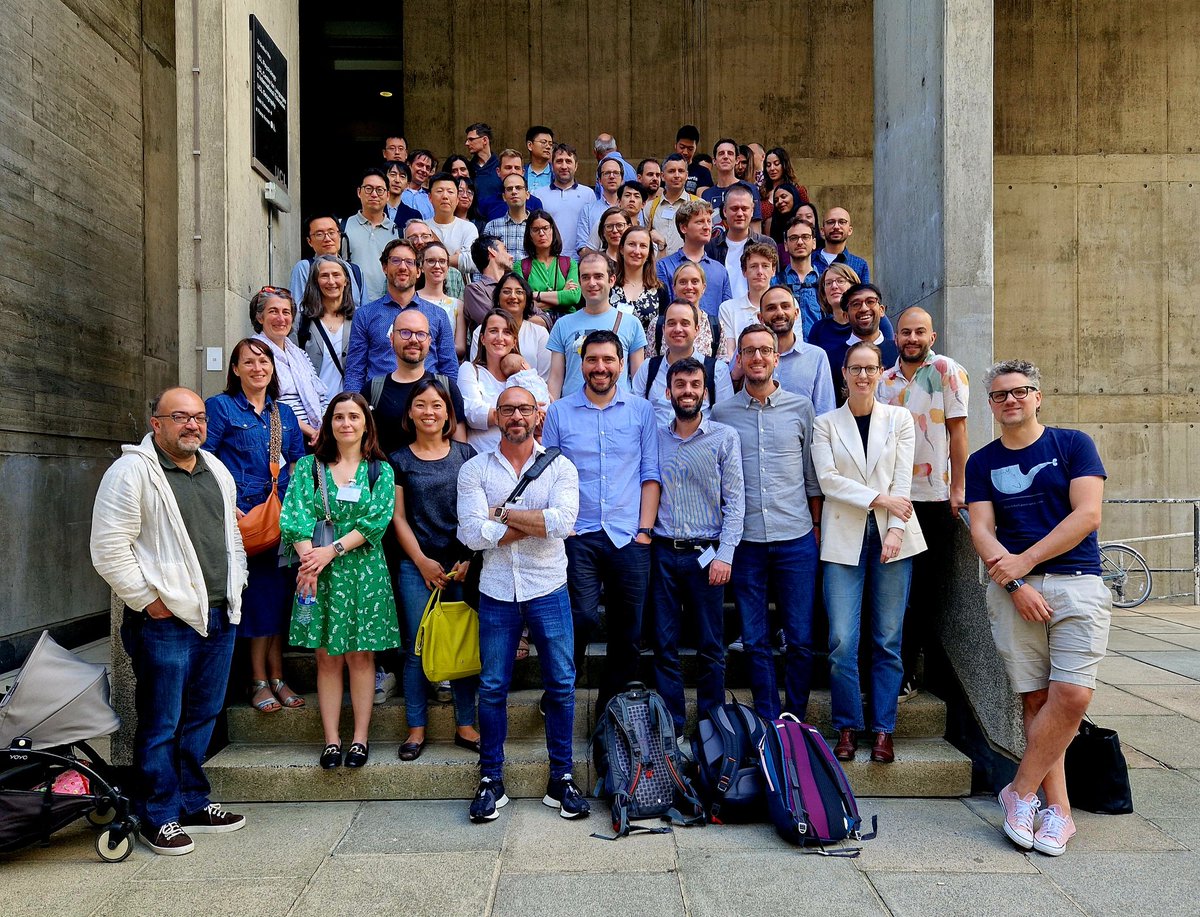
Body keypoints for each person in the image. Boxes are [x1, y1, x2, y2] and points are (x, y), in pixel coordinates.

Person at [91, 387, 248, 855]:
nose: (192, 425)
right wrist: (148, 601)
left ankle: (191, 802)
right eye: (180, 416)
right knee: (162, 721)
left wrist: (237, 584)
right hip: (165, 621)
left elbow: (232, 537)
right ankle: (157, 814)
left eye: (199, 417)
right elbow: (108, 547)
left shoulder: (215, 468)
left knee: (202, 715)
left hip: (219, 614)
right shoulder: (131, 472)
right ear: (156, 423)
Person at [966, 359, 1109, 857]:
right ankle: (1059, 812)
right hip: (1014, 591)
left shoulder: (1073, 445)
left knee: (1072, 696)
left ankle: (1019, 791)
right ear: (991, 405)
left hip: (1077, 582)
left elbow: (1087, 514)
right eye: (1000, 394)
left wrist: (1024, 562)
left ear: (1037, 396)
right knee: (1036, 700)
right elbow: (981, 530)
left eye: (1020, 391)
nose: (1011, 400)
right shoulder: (981, 462)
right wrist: (1015, 584)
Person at [457, 384, 585, 822]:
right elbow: (470, 534)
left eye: (524, 409)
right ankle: (490, 779)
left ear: (536, 416)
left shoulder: (560, 467)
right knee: (493, 687)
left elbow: (562, 522)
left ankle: (562, 779)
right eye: (508, 409)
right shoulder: (474, 470)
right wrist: (533, 523)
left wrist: (501, 514)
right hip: (496, 591)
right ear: (496, 416)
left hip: (548, 587)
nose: (516, 416)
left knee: (562, 684)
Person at [812, 341, 926, 765]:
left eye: (870, 368)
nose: (863, 376)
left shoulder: (899, 419)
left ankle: (883, 730)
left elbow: (903, 481)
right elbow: (828, 481)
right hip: (843, 537)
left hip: (894, 537)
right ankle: (847, 726)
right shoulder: (825, 423)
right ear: (844, 373)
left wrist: (895, 528)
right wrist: (880, 499)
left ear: (880, 373)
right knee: (842, 639)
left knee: (888, 639)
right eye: (856, 368)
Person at [279, 393, 399, 770]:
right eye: (338, 417)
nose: (346, 423)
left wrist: (330, 552)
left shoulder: (380, 470)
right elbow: (294, 516)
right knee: (326, 657)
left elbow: (377, 520)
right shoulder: (308, 468)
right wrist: (310, 561)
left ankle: (360, 739)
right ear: (329, 424)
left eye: (353, 416)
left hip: (363, 570)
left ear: (366, 424)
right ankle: (332, 740)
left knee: (361, 656)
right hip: (317, 571)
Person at [543, 329, 659, 713]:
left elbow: (650, 473)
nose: (600, 367)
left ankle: (610, 707)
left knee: (628, 630)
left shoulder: (641, 411)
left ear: (621, 364)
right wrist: (563, 528)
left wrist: (645, 531)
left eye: (608, 359)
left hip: (629, 535)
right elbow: (549, 475)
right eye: (592, 359)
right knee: (579, 616)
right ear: (581, 364)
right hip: (579, 533)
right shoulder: (559, 412)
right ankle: (563, 682)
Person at [712, 325, 823, 722]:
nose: (757, 357)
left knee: (801, 639)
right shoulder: (721, 414)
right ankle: (768, 719)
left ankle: (796, 718)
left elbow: (812, 475)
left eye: (764, 350)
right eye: (749, 351)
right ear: (739, 359)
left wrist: (816, 526)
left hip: (796, 538)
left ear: (777, 358)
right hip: (746, 544)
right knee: (755, 640)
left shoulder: (801, 408)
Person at [203, 339, 307, 716]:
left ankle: (277, 677)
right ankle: (258, 679)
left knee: (279, 600)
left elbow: (299, 463)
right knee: (258, 602)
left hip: (282, 521)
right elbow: (204, 459)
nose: (257, 368)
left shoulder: (284, 413)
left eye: (264, 361)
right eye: (248, 362)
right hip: (244, 520)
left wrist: (297, 511)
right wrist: (225, 505)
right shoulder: (221, 407)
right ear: (235, 369)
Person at [878, 307, 970, 699]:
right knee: (896, 588)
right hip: (894, 498)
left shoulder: (948, 370)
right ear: (895, 336)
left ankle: (912, 670)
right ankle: (893, 667)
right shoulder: (883, 381)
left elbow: (959, 432)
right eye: (905, 332)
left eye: (920, 332)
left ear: (932, 337)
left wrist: (959, 488)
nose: (912, 338)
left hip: (933, 497)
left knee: (925, 590)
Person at [651, 357, 745, 739]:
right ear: (668, 391)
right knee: (664, 644)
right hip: (662, 551)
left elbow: (736, 502)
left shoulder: (724, 437)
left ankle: (711, 727)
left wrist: (726, 554)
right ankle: (672, 727)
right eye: (680, 385)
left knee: (710, 646)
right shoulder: (656, 437)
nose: (687, 391)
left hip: (707, 554)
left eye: (694, 385)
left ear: (705, 392)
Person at [389, 377, 480, 761]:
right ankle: (416, 729)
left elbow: (476, 511)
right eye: (421, 405)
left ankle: (465, 725)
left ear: (448, 413)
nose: (429, 412)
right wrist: (421, 562)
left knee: (461, 643)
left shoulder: (466, 454)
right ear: (410, 412)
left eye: (437, 405)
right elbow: (398, 518)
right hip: (417, 566)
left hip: (461, 565)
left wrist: (468, 558)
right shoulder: (398, 460)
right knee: (416, 647)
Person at [344, 238, 458, 392]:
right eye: (396, 261)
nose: (403, 267)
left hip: (426, 399)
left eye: (409, 262)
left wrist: (444, 400)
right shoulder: (365, 315)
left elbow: (449, 368)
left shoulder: (438, 315)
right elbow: (355, 371)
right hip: (379, 400)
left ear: (418, 271)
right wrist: (354, 405)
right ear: (385, 267)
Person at [366, 308, 467, 456]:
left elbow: (461, 452)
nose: (413, 339)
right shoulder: (373, 390)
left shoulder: (446, 387)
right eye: (405, 332)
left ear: (429, 341)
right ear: (392, 338)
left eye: (420, 334)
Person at [547, 253, 647, 398]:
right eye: (585, 277)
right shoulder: (563, 324)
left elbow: (638, 381)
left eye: (598, 276)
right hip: (573, 408)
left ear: (611, 280)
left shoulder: (631, 323)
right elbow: (556, 378)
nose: (592, 283)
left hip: (619, 408)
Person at [632, 298, 734, 426]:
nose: (678, 329)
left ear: (697, 329)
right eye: (671, 323)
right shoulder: (648, 368)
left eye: (685, 323)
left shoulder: (717, 370)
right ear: (663, 329)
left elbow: (725, 421)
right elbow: (634, 414)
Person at [250, 287, 327, 447]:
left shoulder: (300, 354)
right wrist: (312, 433)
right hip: (282, 436)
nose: (281, 318)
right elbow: (267, 405)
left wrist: (324, 428)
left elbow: (321, 396)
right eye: (273, 311)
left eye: (286, 312)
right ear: (260, 317)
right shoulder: (254, 353)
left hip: (316, 435)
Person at [756, 285, 836, 416]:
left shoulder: (816, 357)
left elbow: (825, 413)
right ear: (760, 317)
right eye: (771, 308)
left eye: (785, 306)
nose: (779, 313)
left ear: (796, 313)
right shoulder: (751, 355)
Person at [655, 200, 733, 325]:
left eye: (709, 221)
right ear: (683, 228)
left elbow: (727, 313)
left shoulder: (720, 270)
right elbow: (663, 310)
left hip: (712, 335)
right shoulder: (664, 266)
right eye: (700, 222)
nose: (707, 227)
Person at [820, 283, 899, 403]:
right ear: (846, 316)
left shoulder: (899, 352)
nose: (864, 308)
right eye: (856, 304)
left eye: (870, 302)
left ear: (881, 310)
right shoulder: (830, 359)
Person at [460, 309, 524, 452]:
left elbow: (542, 411)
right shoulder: (470, 369)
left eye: (507, 332)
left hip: (520, 457)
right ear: (483, 339)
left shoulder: (523, 376)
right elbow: (471, 413)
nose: (500, 338)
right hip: (481, 456)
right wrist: (519, 413)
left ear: (514, 342)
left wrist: (495, 414)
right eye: (493, 331)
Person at [467, 272, 551, 377]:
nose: (513, 296)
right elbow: (477, 371)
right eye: (506, 292)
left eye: (519, 292)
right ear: (498, 297)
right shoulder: (482, 331)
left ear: (527, 299)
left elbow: (545, 377)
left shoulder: (540, 333)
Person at [297, 255, 356, 402]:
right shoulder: (301, 321)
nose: (331, 281)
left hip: (347, 407)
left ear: (346, 281)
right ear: (315, 281)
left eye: (336, 275)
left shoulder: (359, 320)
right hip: (311, 407)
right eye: (324, 276)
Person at [705, 184, 771, 301]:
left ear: (752, 211)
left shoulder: (766, 244)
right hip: (721, 310)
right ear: (725, 211)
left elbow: (774, 284)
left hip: (758, 310)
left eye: (744, 209)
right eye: (734, 208)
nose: (740, 214)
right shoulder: (710, 247)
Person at [808, 263, 892, 353]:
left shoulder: (875, 320)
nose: (834, 286)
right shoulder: (818, 329)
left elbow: (889, 352)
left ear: (853, 286)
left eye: (840, 281)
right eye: (828, 283)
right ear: (824, 293)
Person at [342, 168, 398, 304]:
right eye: (368, 189)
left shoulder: (398, 232)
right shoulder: (343, 227)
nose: (374, 194)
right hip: (351, 305)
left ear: (388, 195)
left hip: (388, 304)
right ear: (359, 192)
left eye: (380, 190)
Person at [513, 210, 580, 319]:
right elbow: (522, 303)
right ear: (529, 235)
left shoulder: (569, 263)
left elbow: (574, 297)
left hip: (568, 320)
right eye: (535, 229)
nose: (541, 233)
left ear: (552, 230)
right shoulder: (520, 266)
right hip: (535, 322)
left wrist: (535, 295)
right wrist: (562, 294)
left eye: (545, 228)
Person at [718, 241, 777, 363]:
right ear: (744, 271)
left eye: (765, 266)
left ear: (773, 271)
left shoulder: (787, 305)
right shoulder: (728, 308)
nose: (760, 271)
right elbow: (729, 353)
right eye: (753, 266)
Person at [290, 213, 364, 306]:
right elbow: (297, 309)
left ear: (339, 235)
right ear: (309, 241)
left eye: (331, 233)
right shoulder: (304, 268)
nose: (327, 239)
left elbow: (366, 311)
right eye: (319, 234)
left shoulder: (355, 271)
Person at [610, 224, 667, 338]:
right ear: (621, 249)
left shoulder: (659, 289)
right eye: (631, 244)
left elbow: (664, 328)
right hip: (611, 348)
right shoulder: (608, 285)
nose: (637, 251)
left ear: (649, 252)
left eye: (643, 246)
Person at [540, 143, 595, 256]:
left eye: (568, 161)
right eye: (559, 161)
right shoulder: (539, 195)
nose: (564, 166)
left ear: (576, 166)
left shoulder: (588, 194)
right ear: (552, 166)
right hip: (549, 259)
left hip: (580, 259)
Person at [774, 217, 822, 338]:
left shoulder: (825, 282)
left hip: (819, 347)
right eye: (794, 238)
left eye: (805, 237)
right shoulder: (775, 282)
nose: (800, 242)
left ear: (814, 243)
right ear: (786, 245)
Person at [643, 153, 698, 256]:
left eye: (680, 171)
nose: (677, 175)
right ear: (663, 176)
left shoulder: (698, 205)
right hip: (657, 264)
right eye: (671, 171)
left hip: (687, 264)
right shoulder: (649, 207)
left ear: (686, 175)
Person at [461, 234, 514, 339]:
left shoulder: (515, 286)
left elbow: (544, 318)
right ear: (492, 251)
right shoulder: (475, 290)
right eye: (505, 250)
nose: (511, 256)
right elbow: (495, 321)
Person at [700, 139, 762, 229]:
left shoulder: (749, 189)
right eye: (721, 153)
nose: (725, 157)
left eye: (730, 153)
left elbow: (756, 230)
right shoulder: (706, 194)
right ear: (714, 161)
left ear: (737, 160)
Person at [428, 172, 479, 271]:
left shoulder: (468, 228)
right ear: (430, 197)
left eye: (450, 192)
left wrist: (432, 260)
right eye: (439, 191)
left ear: (457, 199)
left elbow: (473, 262)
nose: (445, 196)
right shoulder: (422, 227)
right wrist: (456, 259)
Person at [575, 158, 624, 255]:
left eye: (616, 173)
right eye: (607, 173)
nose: (612, 176)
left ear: (622, 180)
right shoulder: (588, 210)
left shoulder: (630, 208)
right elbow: (582, 247)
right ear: (599, 180)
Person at [483, 172, 532, 261]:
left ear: (527, 194)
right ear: (504, 197)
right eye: (509, 189)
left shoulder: (536, 225)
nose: (514, 192)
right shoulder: (492, 226)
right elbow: (485, 259)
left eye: (518, 188)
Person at [814, 207, 870, 283]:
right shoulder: (810, 261)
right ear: (822, 231)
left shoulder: (860, 265)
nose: (836, 227)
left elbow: (864, 291)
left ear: (850, 230)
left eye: (842, 222)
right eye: (830, 222)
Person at [417, 240, 461, 331]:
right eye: (431, 261)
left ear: (448, 267)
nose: (437, 266)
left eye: (442, 261)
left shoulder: (458, 305)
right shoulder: (410, 300)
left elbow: (460, 341)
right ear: (421, 267)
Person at [673, 124, 712, 195]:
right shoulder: (665, 169)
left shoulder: (703, 172)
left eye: (690, 149)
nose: (685, 152)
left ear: (695, 148)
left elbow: (703, 198)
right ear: (676, 145)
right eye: (682, 147)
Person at [383, 161, 422, 228]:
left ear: (407, 185)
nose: (397, 180)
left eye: (402, 176)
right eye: (393, 174)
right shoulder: (373, 209)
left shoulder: (414, 215)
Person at [403, 150, 437, 218]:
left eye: (427, 168)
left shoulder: (431, 198)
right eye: (420, 165)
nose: (424, 170)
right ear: (408, 164)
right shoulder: (397, 192)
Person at [765, 182, 801, 247]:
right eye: (776, 200)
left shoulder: (803, 217)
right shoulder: (772, 223)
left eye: (783, 197)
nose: (779, 201)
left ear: (794, 196)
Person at [525, 125, 554, 192]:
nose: (548, 147)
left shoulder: (557, 174)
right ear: (530, 145)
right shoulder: (521, 173)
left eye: (550, 144)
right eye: (543, 142)